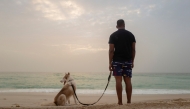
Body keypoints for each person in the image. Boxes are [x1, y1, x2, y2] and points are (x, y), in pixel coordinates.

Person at [108, 19, 136, 105]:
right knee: (128, 81)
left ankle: (120, 102)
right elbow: (133, 49)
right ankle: (129, 101)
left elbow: (111, 50)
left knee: (118, 81)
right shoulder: (131, 35)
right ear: (124, 25)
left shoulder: (113, 35)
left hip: (117, 61)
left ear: (117, 26)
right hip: (128, 60)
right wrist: (132, 61)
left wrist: (110, 62)